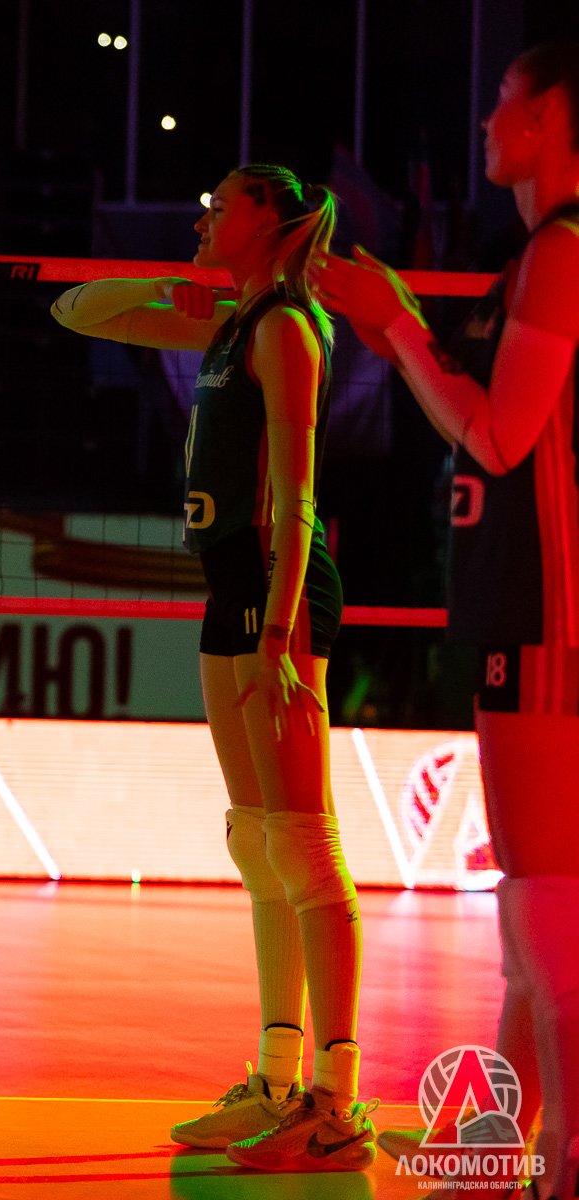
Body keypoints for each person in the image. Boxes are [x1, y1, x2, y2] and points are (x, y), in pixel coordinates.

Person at [52, 165, 374, 1171]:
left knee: (306, 846)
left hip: (277, 591)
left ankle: (337, 1105)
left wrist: (279, 633)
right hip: (229, 583)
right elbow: (75, 310)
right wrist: (170, 290)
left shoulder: (286, 331)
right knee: (257, 841)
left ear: (268, 221)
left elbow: (300, 495)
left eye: (221, 205)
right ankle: (274, 1083)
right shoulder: (232, 325)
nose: (202, 217)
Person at [314, 41, 579, 1199]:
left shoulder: (560, 253)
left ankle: (561, 1158)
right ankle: (496, 1150)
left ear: (553, 116)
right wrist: (394, 325)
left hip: (548, 616)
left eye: (506, 101)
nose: (486, 120)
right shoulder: (536, 257)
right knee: (536, 914)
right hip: (526, 611)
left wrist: (402, 330)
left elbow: (499, 435)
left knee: (545, 911)